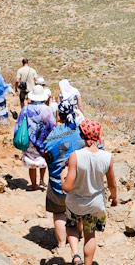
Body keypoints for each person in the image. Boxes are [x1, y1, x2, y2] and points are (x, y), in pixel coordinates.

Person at [61, 120, 117, 265]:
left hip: (76, 202)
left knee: (72, 226)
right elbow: (112, 183)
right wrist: (114, 197)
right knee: (90, 234)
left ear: (81, 135)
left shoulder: (75, 156)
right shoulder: (107, 157)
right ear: (99, 136)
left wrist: (63, 176)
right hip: (95, 203)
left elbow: (67, 187)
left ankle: (75, 255)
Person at [41, 101, 86, 258]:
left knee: (59, 212)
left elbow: (46, 155)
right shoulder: (81, 132)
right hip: (79, 182)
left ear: (59, 115)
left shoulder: (52, 136)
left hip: (58, 183)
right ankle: (78, 235)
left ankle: (61, 245)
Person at [14, 85, 55, 191]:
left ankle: (34, 185)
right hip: (43, 140)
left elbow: (19, 124)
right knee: (43, 159)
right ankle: (42, 180)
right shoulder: (47, 109)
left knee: (31, 162)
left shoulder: (26, 109)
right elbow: (52, 125)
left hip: (30, 140)